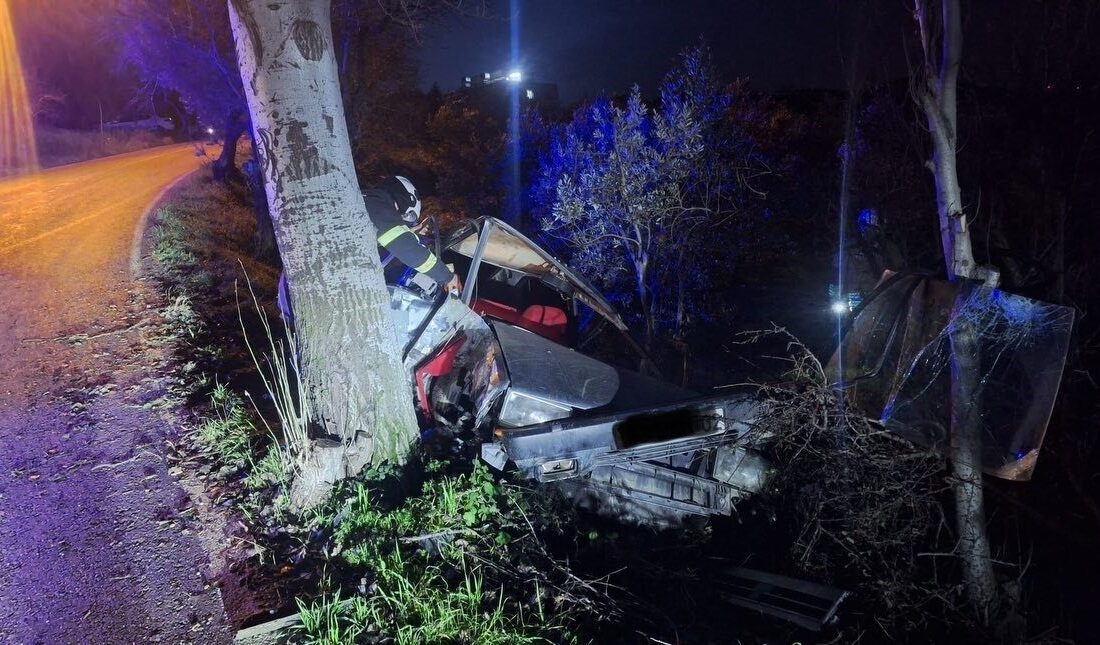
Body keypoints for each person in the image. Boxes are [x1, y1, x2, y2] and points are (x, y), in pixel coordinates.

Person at [276, 175, 462, 325]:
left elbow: (373, 240)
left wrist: (409, 232)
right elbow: (405, 247)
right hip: (316, 295)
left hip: (299, 291)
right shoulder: (377, 204)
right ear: (405, 201)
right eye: (404, 219)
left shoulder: (360, 203)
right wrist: (446, 276)